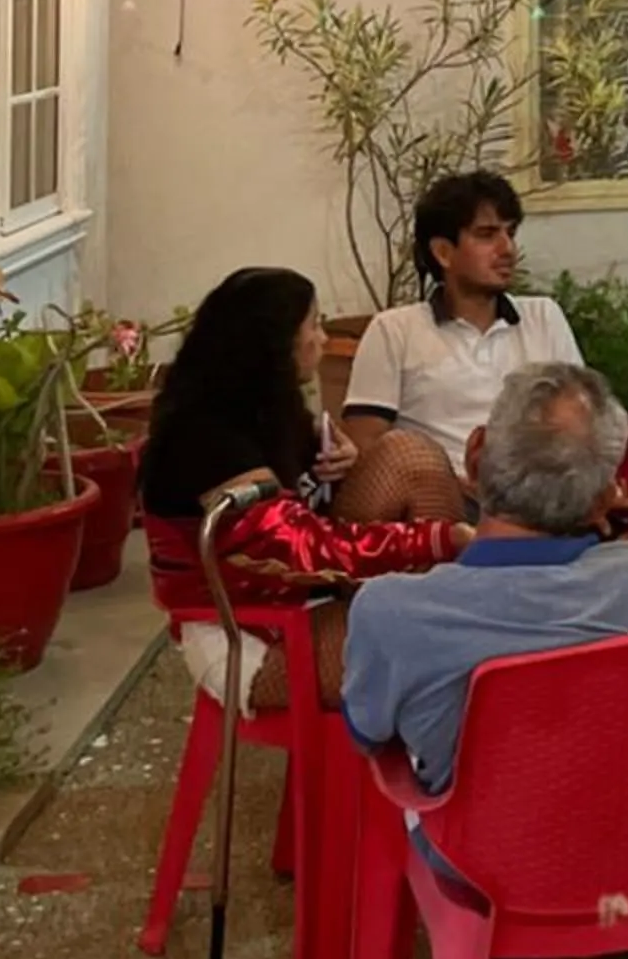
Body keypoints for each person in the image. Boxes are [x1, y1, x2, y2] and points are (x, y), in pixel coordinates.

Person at [343, 358, 628, 959]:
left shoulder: (393, 612)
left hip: (485, 863)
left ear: (477, 455)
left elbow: (368, 734)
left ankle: (512, 953)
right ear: (606, 492)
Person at [139, 265, 463, 712]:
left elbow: (313, 469)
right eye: (314, 325)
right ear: (277, 345)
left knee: (407, 456)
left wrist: (342, 456)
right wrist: (440, 540)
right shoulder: (204, 440)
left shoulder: (268, 404)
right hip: (246, 632)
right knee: (435, 638)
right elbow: (297, 550)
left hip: (302, 598)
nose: (324, 339)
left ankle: (456, 616)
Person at [338, 171, 585, 519]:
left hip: (536, 500)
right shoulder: (395, 329)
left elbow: (583, 422)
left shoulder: (543, 317)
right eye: (487, 235)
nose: (507, 249)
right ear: (443, 252)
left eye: (510, 233)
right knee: (407, 454)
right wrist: (449, 484)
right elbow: (366, 448)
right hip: (440, 503)